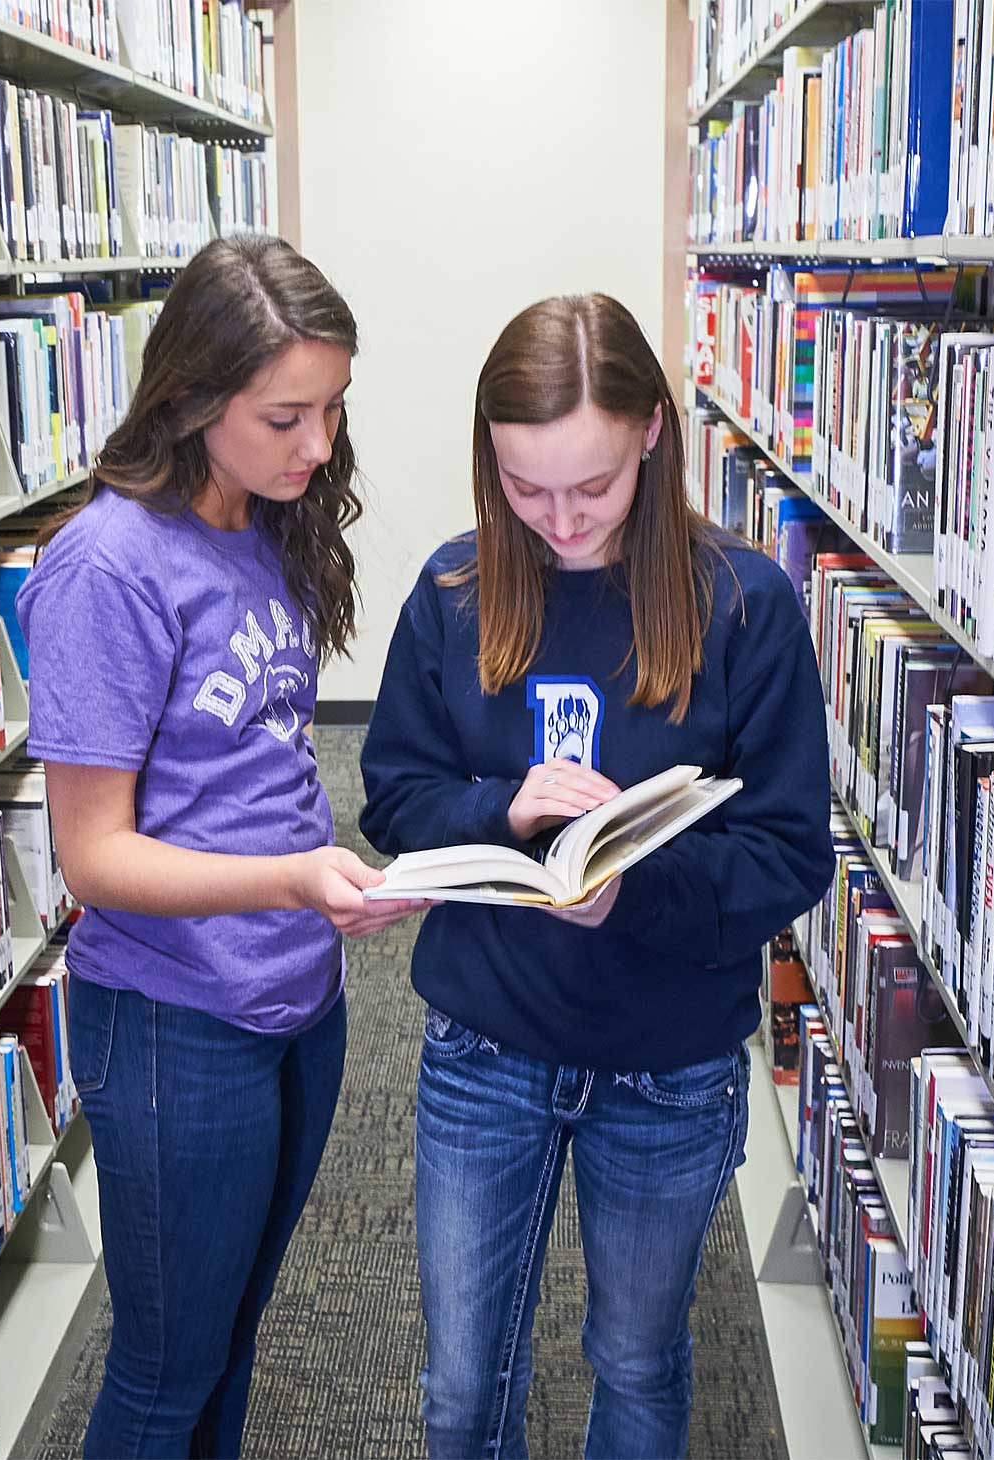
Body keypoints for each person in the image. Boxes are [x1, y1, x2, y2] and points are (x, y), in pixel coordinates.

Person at [359, 293, 835, 1460]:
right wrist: (500, 806)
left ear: (653, 436)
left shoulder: (744, 606)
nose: (559, 520)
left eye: (592, 486)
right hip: (485, 1042)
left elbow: (787, 850)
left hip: (666, 1063)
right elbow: (391, 794)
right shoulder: (455, 589)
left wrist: (637, 888)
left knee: (634, 1361)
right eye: (525, 489)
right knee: (463, 1385)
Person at [17, 233, 425, 1459]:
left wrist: (305, 893)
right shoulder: (107, 568)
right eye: (285, 415)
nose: (319, 445)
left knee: (233, 1332)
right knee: (163, 1367)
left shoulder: (260, 517)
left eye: (332, 409)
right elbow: (93, 858)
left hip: (295, 993)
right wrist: (295, 876)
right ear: (191, 399)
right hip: (173, 1022)